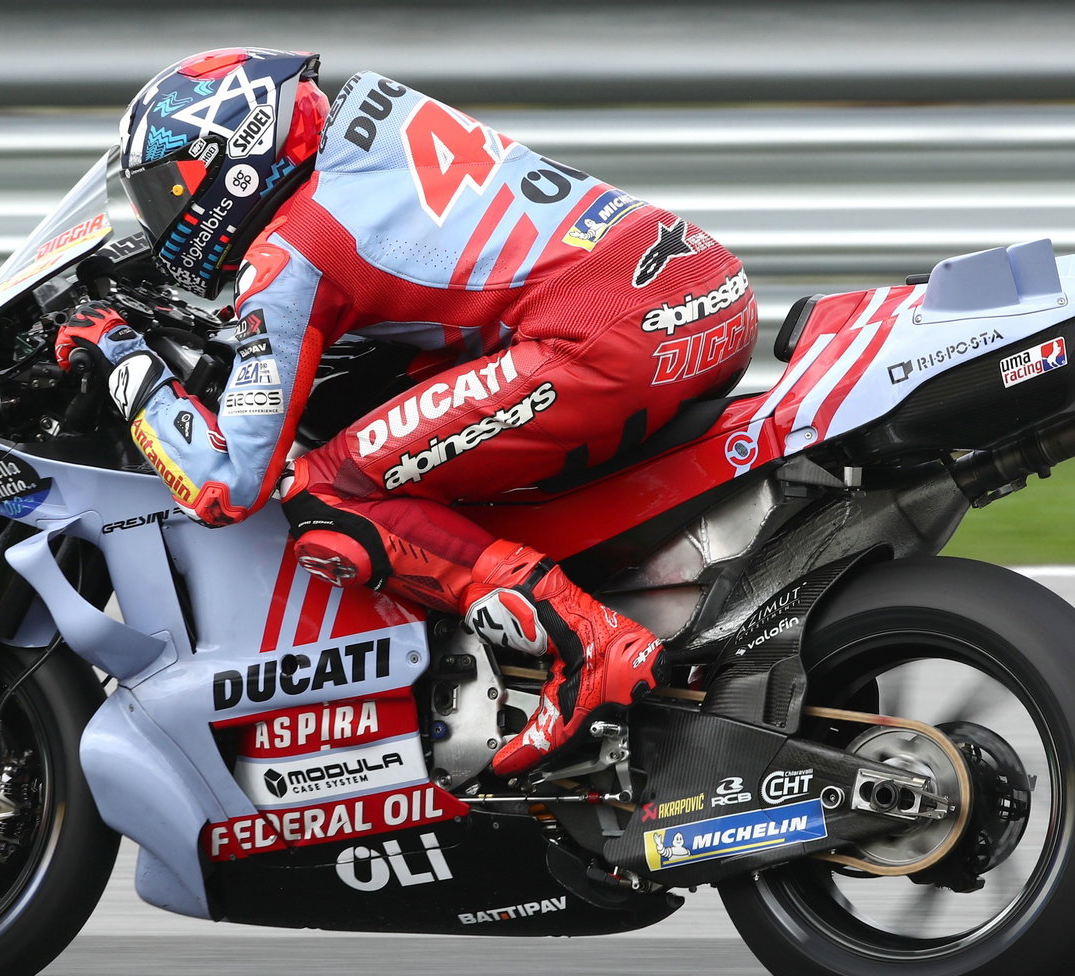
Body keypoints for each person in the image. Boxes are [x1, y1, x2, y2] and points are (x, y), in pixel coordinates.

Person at [55, 48, 757, 779]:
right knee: (397, 412)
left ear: (234, 163)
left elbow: (227, 485)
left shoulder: (290, 254)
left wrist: (123, 359)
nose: (166, 212)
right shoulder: (371, 124)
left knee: (328, 492)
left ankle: (590, 645)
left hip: (611, 336)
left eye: (171, 187)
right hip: (705, 291)